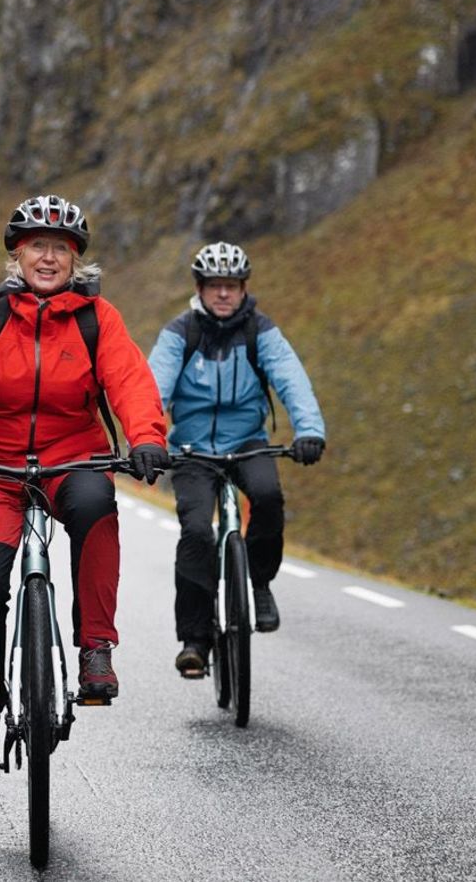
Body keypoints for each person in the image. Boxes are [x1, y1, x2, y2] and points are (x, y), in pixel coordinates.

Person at [0, 194, 169, 776]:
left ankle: (96, 648)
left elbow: (130, 381)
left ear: (75, 259)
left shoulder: (98, 318)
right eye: (37, 246)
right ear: (17, 254)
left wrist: (146, 437)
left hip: (76, 458)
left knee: (97, 504)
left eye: (60, 248)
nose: (48, 257)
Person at [146, 242, 328, 678]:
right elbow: (153, 390)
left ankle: (260, 582)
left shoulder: (260, 331)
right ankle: (194, 640)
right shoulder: (180, 333)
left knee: (267, 498)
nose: (223, 295)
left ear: (244, 288)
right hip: (191, 449)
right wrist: (149, 438)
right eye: (215, 287)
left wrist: (310, 431)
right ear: (199, 289)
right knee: (196, 533)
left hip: (248, 441)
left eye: (231, 286)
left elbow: (291, 378)